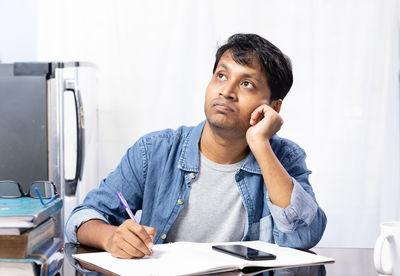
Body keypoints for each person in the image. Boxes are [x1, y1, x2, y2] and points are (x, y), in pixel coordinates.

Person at [65, 33, 327, 259]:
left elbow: (303, 236)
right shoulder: (155, 151)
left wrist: (260, 143)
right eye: (221, 75)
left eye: (246, 83)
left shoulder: (284, 158)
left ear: (273, 106)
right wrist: (112, 238)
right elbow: (82, 217)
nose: (226, 91)